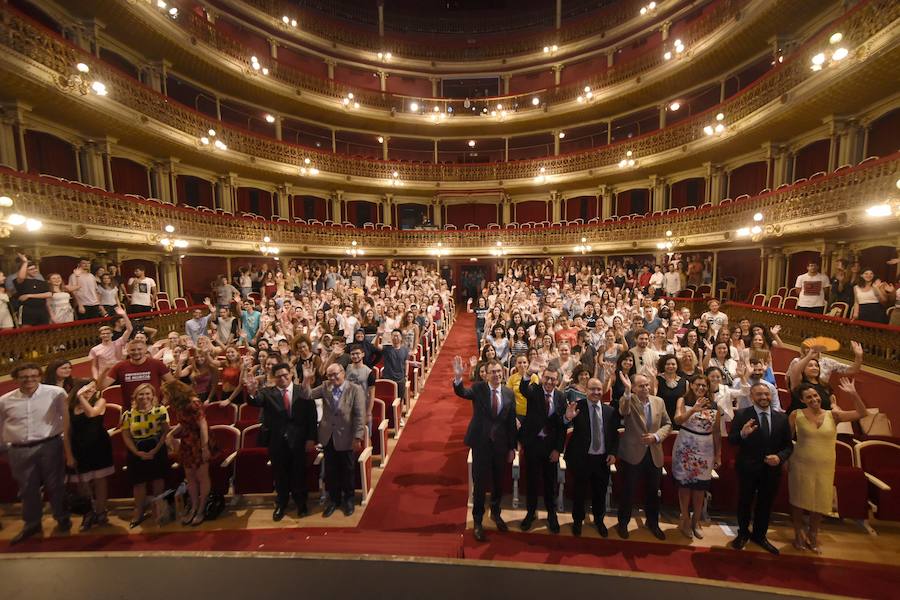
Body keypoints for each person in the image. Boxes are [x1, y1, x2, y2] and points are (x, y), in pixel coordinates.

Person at [788, 379, 867, 553]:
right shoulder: (796, 415)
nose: (813, 399)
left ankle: (813, 533)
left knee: (820, 501)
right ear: (802, 400)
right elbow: (786, 441)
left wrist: (853, 394)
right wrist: (784, 460)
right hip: (800, 462)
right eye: (808, 397)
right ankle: (798, 533)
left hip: (825, 465)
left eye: (815, 395)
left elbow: (862, 413)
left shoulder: (834, 415)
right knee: (799, 501)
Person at [0, 362, 73, 544]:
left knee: (56, 484)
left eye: (33, 376)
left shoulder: (55, 393)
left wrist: (67, 447)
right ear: (16, 379)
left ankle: (62, 517)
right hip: (18, 450)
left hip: (50, 445)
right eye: (24, 377)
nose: (29, 380)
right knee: (27, 489)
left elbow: (66, 420)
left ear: (40, 376)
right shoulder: (4, 400)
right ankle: (32, 524)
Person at [452, 356, 517, 543]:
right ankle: (478, 521)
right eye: (492, 372)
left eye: (499, 371)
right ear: (486, 374)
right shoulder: (479, 389)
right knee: (480, 485)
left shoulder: (508, 393)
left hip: (500, 446)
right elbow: (462, 392)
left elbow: (511, 423)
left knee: (498, 483)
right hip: (481, 444)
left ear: (502, 373)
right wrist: (458, 378)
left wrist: (512, 447)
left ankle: (496, 513)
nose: (496, 374)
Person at [243, 362, 318, 520]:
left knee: (299, 473)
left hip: (299, 440)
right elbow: (255, 401)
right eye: (278, 377)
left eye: (285, 375)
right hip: (276, 441)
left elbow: (312, 416)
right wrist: (251, 391)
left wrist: (311, 438)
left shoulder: (302, 391)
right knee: (280, 474)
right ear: (273, 378)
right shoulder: (267, 393)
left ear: (291, 374)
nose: (282, 378)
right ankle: (281, 503)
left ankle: (301, 503)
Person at [728, 382, 794, 555]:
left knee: (765, 504)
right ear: (752, 396)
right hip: (747, 468)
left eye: (766, 394)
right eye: (759, 394)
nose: (764, 397)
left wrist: (779, 457)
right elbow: (732, 440)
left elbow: (788, 446)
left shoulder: (781, 418)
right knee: (744, 502)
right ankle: (743, 534)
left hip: (771, 470)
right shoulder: (742, 414)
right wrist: (742, 434)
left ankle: (760, 535)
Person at [299, 362, 366, 517]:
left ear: (343, 373)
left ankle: (349, 499)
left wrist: (358, 436)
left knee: (348, 470)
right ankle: (334, 500)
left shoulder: (354, 389)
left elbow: (359, 415)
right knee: (331, 470)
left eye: (335, 374)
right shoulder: (324, 387)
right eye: (329, 375)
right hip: (328, 436)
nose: (333, 377)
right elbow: (306, 395)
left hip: (347, 436)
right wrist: (306, 379)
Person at [616, 372, 672, 540]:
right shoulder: (628, 399)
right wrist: (626, 391)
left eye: (647, 385)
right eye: (641, 386)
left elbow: (668, 424)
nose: (646, 388)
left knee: (653, 492)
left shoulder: (659, 401)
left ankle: (653, 523)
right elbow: (623, 411)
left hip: (654, 453)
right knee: (628, 491)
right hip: (632, 454)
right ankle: (623, 523)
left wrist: (656, 436)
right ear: (633, 387)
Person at [563, 377, 619, 537]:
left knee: (599, 493)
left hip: (602, 459)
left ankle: (599, 521)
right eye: (592, 389)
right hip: (582, 458)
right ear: (586, 390)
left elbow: (614, 435)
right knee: (579, 492)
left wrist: (613, 453)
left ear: (603, 391)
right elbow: (562, 426)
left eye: (598, 389)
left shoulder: (610, 411)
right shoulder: (576, 407)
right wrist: (567, 418)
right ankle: (577, 521)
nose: (596, 392)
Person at [672, 374, 721, 539]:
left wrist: (718, 454)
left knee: (701, 487)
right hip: (686, 446)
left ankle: (696, 520)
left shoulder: (714, 405)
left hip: (705, 448)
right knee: (685, 485)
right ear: (691, 385)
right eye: (698, 385)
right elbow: (677, 420)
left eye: (704, 385)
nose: (701, 388)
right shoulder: (683, 401)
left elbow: (716, 431)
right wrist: (693, 409)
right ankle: (685, 518)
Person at [518, 366, 566, 534]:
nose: (550, 382)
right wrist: (529, 373)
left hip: (550, 448)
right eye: (547, 378)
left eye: (553, 379)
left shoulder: (561, 397)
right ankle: (531, 513)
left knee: (550, 483)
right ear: (542, 378)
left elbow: (561, 427)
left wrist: (557, 450)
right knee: (531, 481)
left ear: (557, 381)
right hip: (532, 445)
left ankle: (551, 514)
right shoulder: (535, 391)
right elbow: (523, 388)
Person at [120, 383, 171, 527]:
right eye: (141, 394)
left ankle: (158, 508)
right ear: (135, 397)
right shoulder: (128, 414)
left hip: (157, 448)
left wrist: (154, 451)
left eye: (148, 394)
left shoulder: (160, 410)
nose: (144, 397)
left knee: (157, 480)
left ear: (153, 396)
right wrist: (137, 452)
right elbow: (126, 435)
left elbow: (165, 432)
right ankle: (139, 510)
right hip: (136, 450)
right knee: (139, 483)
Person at [66, 380, 114, 531]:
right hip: (79, 448)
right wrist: (68, 455)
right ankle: (88, 512)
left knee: (100, 480)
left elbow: (92, 413)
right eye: (88, 387)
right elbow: (66, 432)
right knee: (83, 482)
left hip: (98, 446)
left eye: (94, 388)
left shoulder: (100, 400)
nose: (91, 390)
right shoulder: (70, 406)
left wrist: (81, 398)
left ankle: (101, 511)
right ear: (79, 388)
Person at [162, 380, 211, 527]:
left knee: (202, 476)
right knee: (190, 477)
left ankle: (201, 509)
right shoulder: (179, 405)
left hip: (198, 441)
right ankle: (194, 506)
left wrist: (204, 447)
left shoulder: (193, 403)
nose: (165, 397)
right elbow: (184, 423)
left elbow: (203, 425)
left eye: (167, 394)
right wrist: (171, 434)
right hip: (187, 441)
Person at [100, 338, 174, 409]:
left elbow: (173, 385)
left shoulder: (157, 364)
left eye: (139, 349)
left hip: (155, 409)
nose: (136, 352)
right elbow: (100, 387)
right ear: (128, 351)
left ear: (145, 350)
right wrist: (105, 370)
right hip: (130, 411)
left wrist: (164, 402)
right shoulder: (120, 366)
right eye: (132, 350)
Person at [89, 308, 132, 380]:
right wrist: (96, 378)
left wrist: (124, 315)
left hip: (119, 374)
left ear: (112, 334)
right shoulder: (94, 349)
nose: (105, 335)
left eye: (108, 333)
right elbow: (94, 366)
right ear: (100, 335)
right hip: (104, 377)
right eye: (103, 334)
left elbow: (129, 329)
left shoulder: (118, 343)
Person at [15, 253, 51, 326]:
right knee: (26, 333)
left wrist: (29, 295)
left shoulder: (41, 282)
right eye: (31, 269)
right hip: (27, 310)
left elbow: (48, 294)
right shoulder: (21, 281)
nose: (35, 270)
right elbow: (21, 277)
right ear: (25, 271)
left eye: (35, 268)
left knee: (44, 332)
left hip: (42, 310)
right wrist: (25, 262)